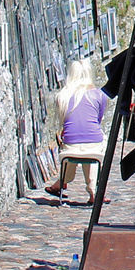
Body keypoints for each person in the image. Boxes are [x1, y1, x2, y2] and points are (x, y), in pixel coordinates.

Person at [43, 58, 110, 202]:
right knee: (95, 145)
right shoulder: (100, 95)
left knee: (72, 145)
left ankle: (61, 183)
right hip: (93, 142)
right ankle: (93, 191)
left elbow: (64, 123)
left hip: (71, 143)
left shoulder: (62, 96)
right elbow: (97, 121)